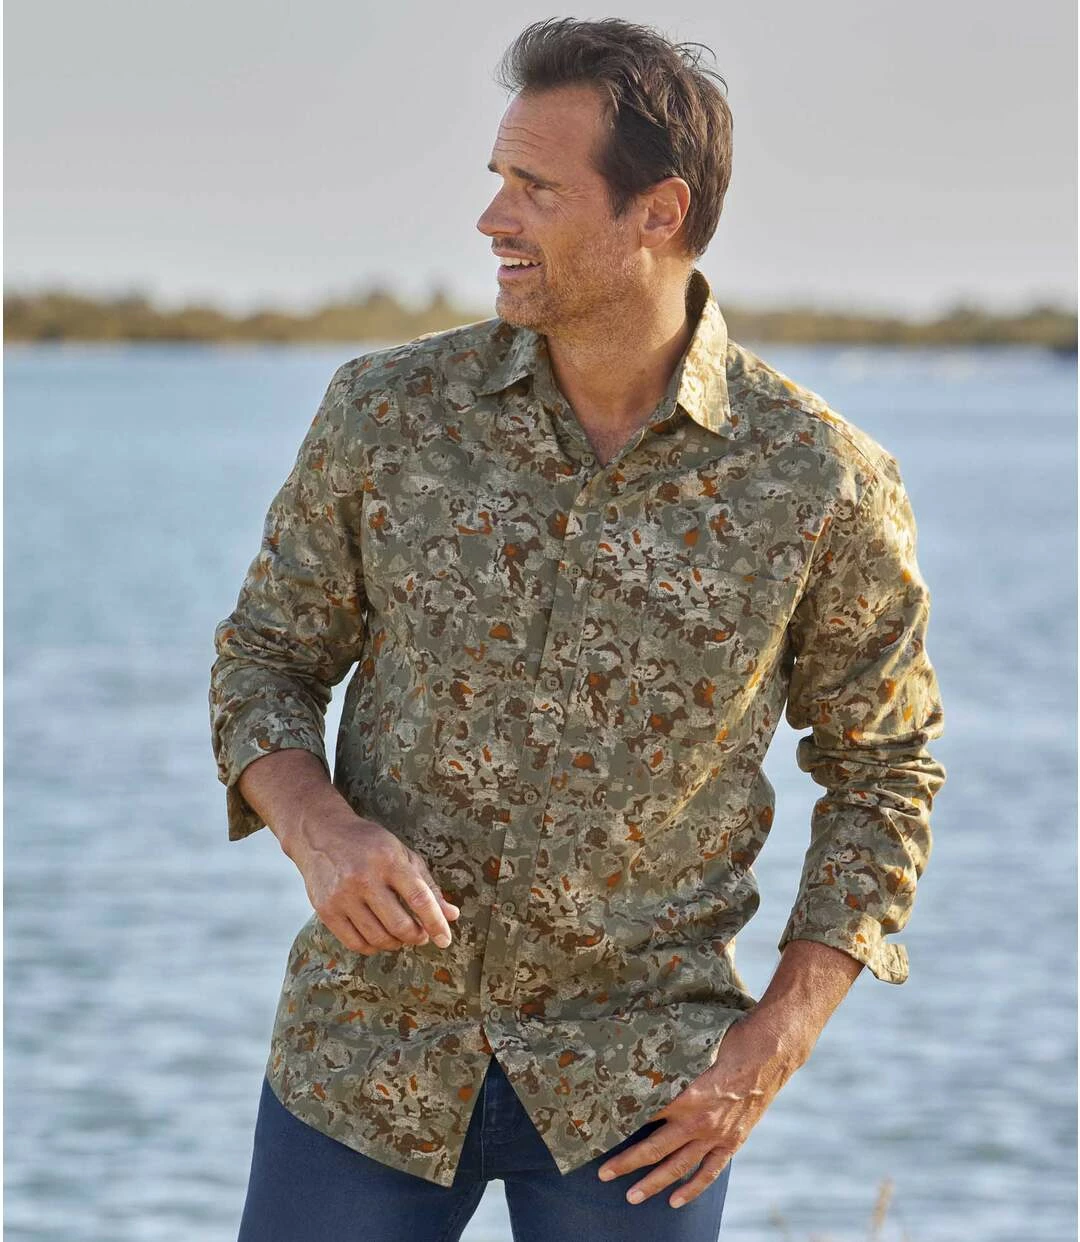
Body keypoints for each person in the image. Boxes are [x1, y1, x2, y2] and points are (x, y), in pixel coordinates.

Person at [211, 17, 946, 1242]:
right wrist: (318, 830)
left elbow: (886, 775)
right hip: (366, 1061)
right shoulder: (386, 414)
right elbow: (265, 659)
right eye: (498, 179)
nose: (491, 218)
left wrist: (771, 1046)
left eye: (535, 189)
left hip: (642, 1095)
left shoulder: (821, 484)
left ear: (659, 212)